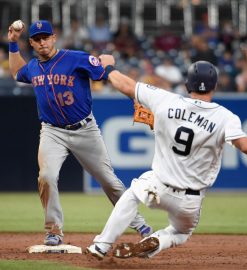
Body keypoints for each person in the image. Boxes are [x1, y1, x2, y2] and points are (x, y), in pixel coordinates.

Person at [87, 57, 247, 260]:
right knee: (180, 233)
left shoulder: (166, 100)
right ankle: (158, 240)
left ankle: (101, 245)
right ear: (215, 86)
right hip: (189, 200)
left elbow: (127, 86)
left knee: (131, 195)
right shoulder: (225, 117)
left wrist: (108, 68)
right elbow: (245, 145)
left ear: (187, 84)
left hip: (157, 187)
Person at [7, 20, 152, 246]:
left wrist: (134, 97)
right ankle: (53, 230)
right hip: (52, 131)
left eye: (46, 37)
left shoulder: (75, 58)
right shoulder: (34, 66)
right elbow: (17, 72)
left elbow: (106, 67)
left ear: (54, 38)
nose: (42, 42)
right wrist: (13, 44)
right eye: (37, 39)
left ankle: (140, 224)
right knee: (46, 176)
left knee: (109, 181)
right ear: (32, 43)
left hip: (85, 129)